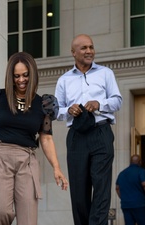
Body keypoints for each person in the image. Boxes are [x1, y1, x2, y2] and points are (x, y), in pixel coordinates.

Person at [0, 52, 68, 225]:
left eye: (25, 75)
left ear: (32, 74)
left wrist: (56, 167)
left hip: (27, 159)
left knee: (28, 220)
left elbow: (46, 139)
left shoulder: (43, 104)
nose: (21, 80)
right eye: (16, 76)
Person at [54, 34, 122, 225]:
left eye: (91, 47)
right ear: (73, 52)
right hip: (76, 136)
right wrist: (68, 109)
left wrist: (99, 103)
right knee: (79, 191)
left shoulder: (106, 73)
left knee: (101, 187)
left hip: (101, 132)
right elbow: (55, 111)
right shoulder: (64, 80)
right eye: (83, 48)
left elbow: (117, 100)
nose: (89, 51)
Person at [116, 154, 145, 225]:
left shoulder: (121, 174)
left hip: (126, 205)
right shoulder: (141, 171)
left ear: (130, 162)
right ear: (140, 162)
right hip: (140, 205)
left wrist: (124, 198)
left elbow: (117, 188)